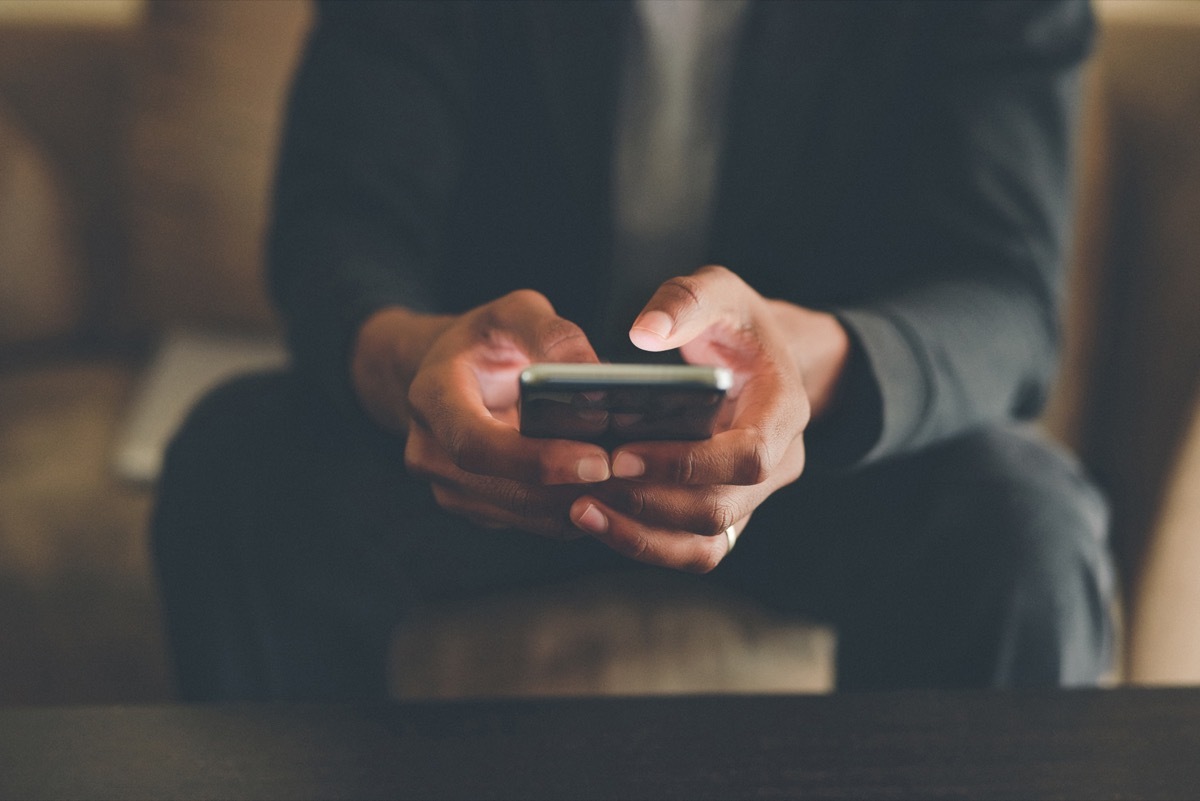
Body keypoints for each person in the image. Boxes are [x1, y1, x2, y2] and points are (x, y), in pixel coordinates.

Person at [152, 0, 1115, 701]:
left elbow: (1006, 296)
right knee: (233, 470)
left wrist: (809, 362)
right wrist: (415, 360)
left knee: (1026, 532)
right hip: (494, 433)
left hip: (823, 454)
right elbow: (339, 233)